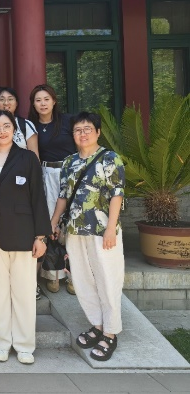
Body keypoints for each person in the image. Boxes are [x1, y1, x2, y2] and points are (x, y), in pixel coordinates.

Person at [0, 110, 50, 365]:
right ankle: (0, 342)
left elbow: (38, 196)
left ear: (15, 130)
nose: (2, 131)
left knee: (24, 288)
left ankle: (25, 344)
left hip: (23, 228)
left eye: (7, 126)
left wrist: (41, 236)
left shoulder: (27, 158)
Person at [50, 112, 125, 362]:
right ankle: (97, 325)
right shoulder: (69, 162)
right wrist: (54, 221)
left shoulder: (110, 158)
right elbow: (64, 195)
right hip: (75, 230)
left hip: (102, 231)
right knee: (82, 280)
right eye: (78, 130)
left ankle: (111, 332)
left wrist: (111, 228)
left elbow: (117, 194)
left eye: (87, 129)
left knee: (108, 279)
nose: (83, 134)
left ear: (98, 132)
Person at [29, 84, 77, 295]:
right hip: (46, 174)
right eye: (38, 100)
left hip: (70, 173)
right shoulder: (31, 126)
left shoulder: (68, 121)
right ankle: (53, 274)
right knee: (50, 223)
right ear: (33, 104)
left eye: (46, 99)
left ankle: (75, 275)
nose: (43, 104)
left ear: (54, 101)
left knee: (72, 223)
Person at [0, 87, 39, 159]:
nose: (6, 103)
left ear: (16, 103)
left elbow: (34, 158)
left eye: (10, 99)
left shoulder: (26, 125)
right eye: (2, 99)